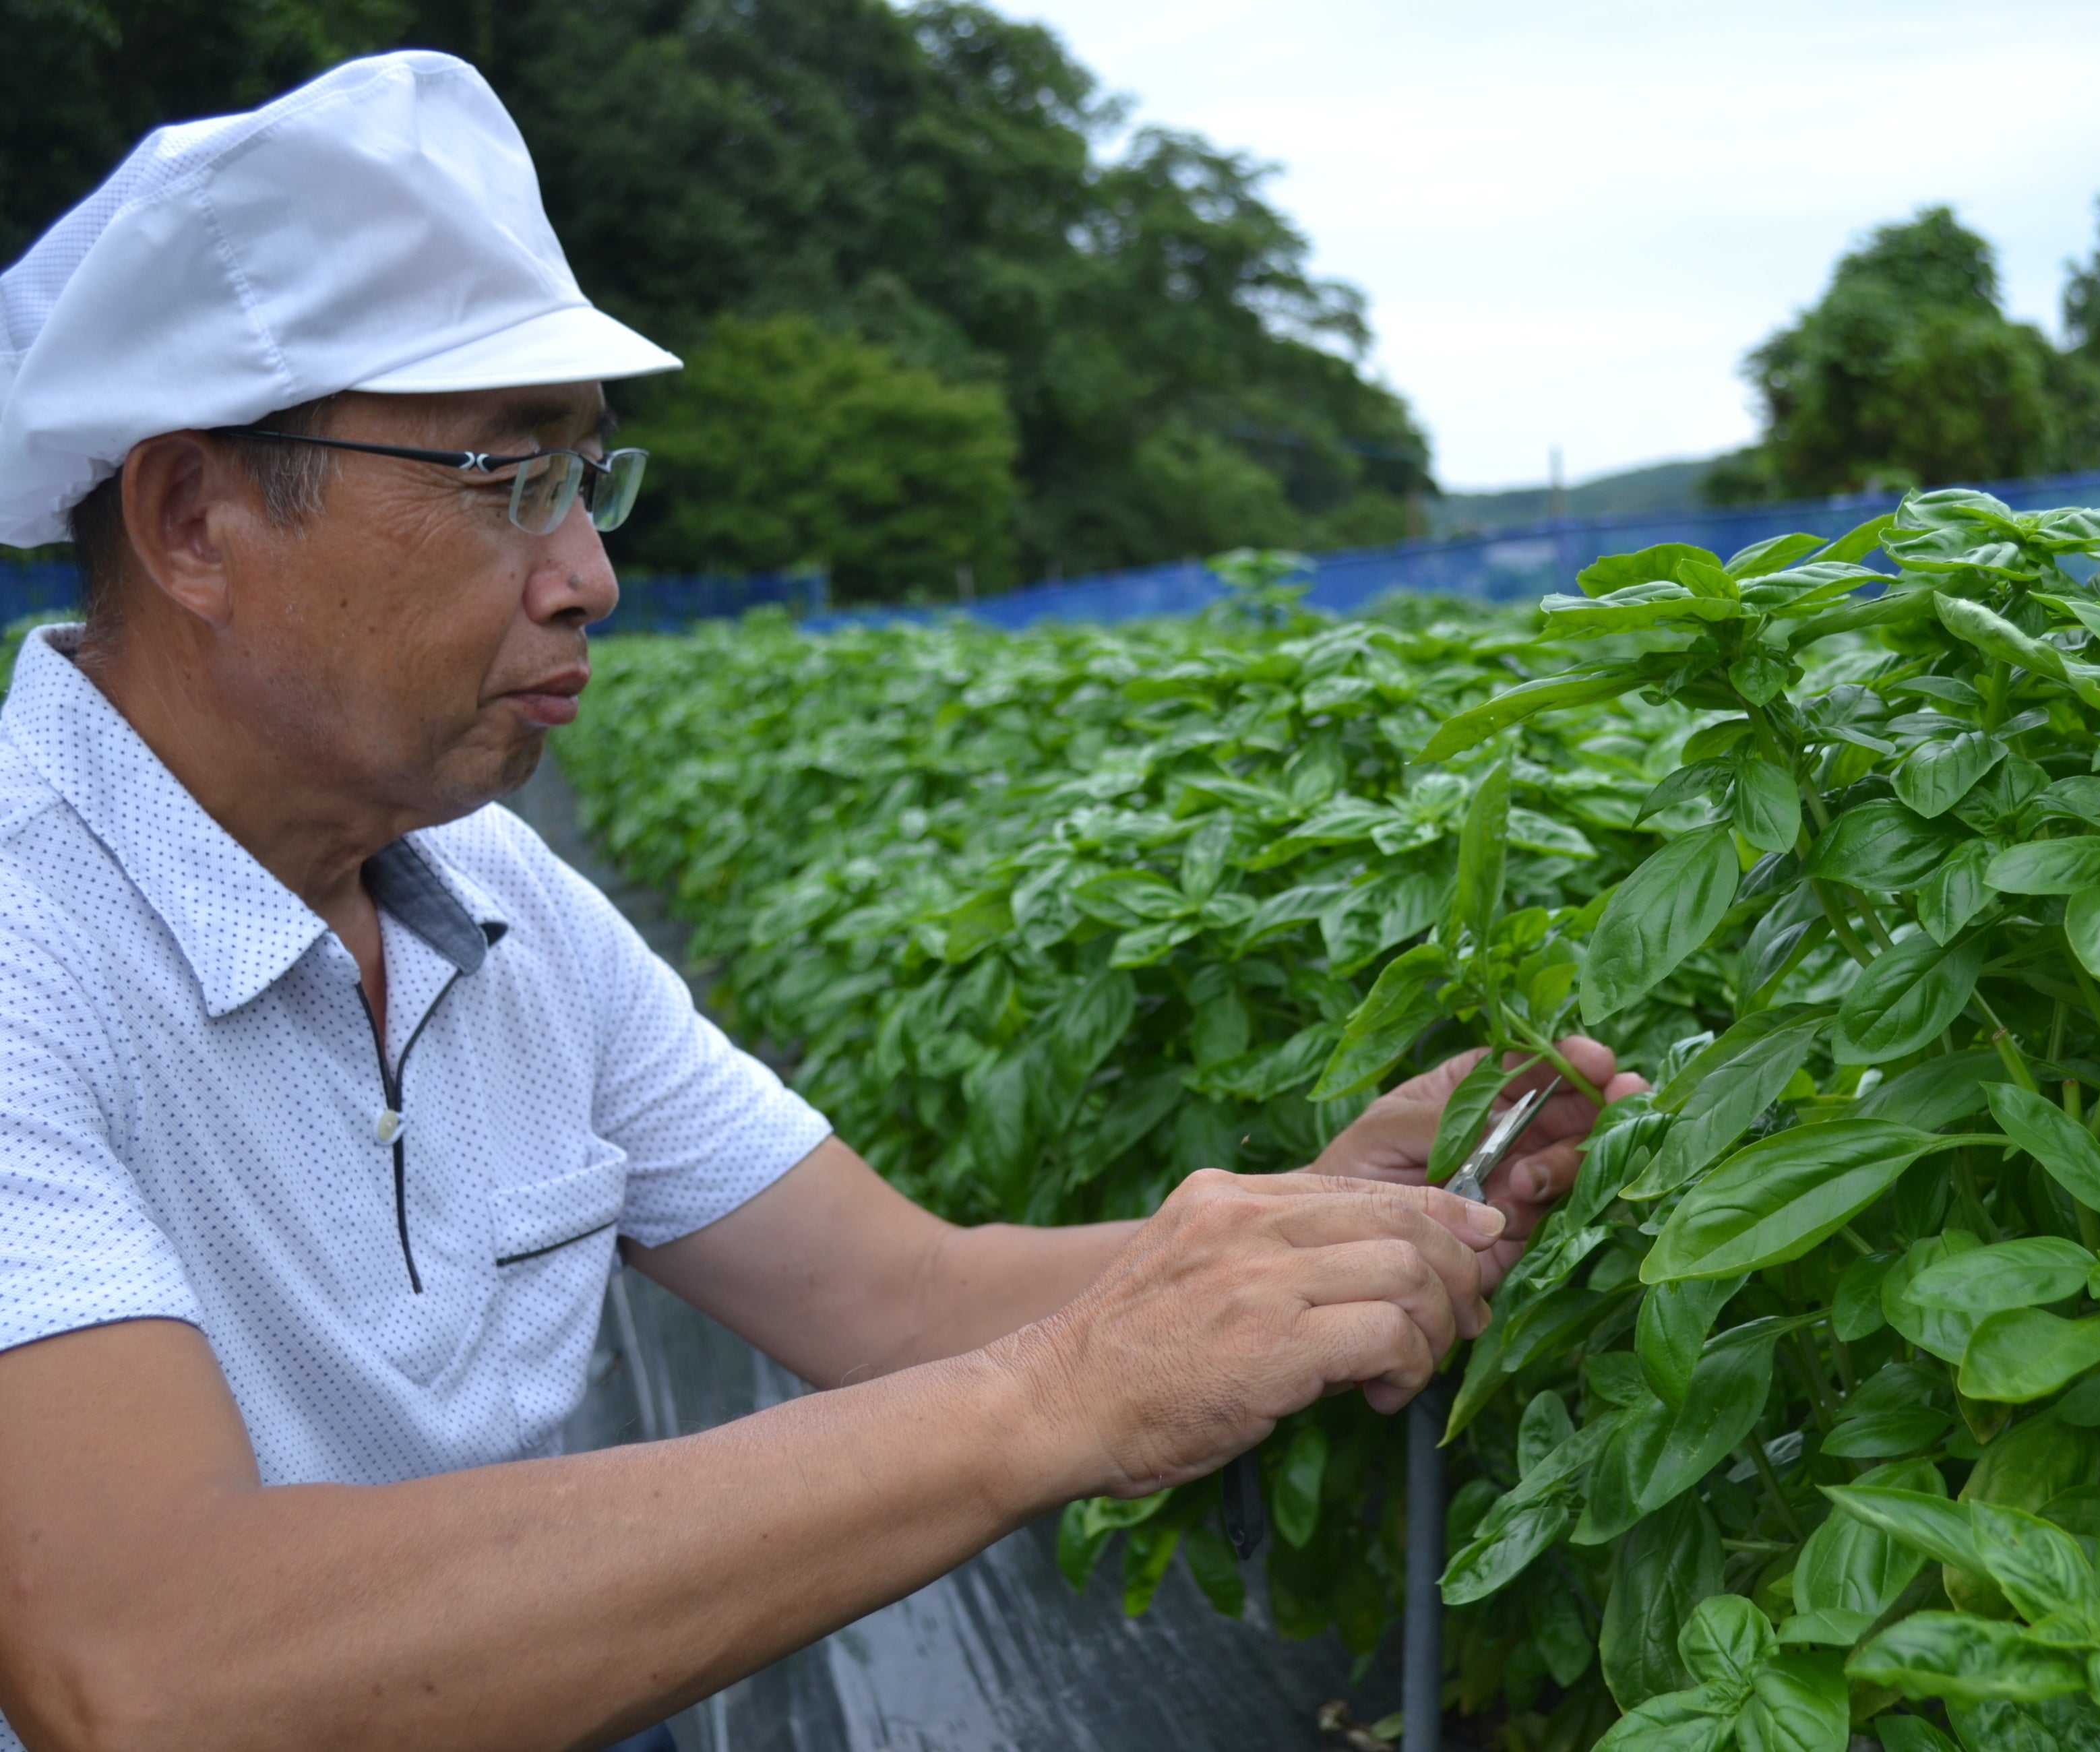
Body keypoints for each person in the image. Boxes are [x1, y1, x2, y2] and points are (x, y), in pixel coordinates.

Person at [0, 51, 1643, 1752]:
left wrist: (1322, 1222)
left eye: (590, 478)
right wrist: (1061, 1399)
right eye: (507, 480)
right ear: (193, 520)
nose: (591, 577)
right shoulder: (23, 948)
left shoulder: (495, 901)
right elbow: (150, 1662)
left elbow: (897, 1297)